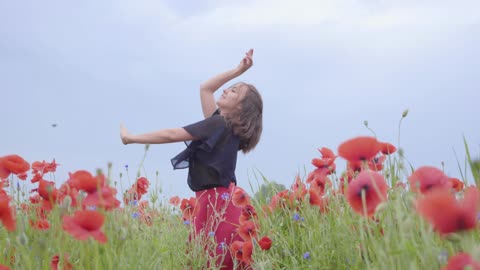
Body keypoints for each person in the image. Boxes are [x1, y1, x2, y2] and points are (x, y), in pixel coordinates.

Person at [120, 49, 263, 269]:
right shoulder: (222, 126)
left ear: (240, 107)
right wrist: (238, 70)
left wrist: (132, 138)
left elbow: (171, 134)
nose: (226, 90)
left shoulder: (219, 125)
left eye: (233, 91)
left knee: (206, 261)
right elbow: (206, 88)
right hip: (220, 202)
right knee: (209, 261)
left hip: (218, 204)